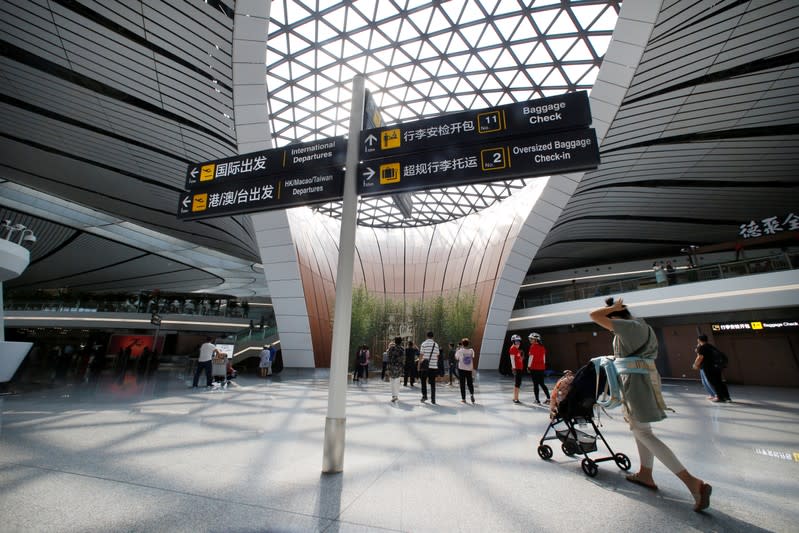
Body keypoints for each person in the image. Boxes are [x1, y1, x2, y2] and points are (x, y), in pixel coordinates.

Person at [590, 297, 711, 512]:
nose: (609, 328)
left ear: (616, 316)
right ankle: (645, 474)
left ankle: (693, 483)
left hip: (636, 383)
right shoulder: (642, 326)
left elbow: (594, 316)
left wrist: (612, 308)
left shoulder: (626, 326)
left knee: (644, 433)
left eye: (610, 322)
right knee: (641, 429)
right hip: (644, 378)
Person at [694, 335, 731, 403]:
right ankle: (727, 397)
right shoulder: (711, 346)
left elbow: (700, 357)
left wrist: (695, 365)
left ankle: (719, 397)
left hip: (708, 367)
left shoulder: (702, 347)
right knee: (720, 382)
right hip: (716, 367)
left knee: (714, 382)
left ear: (699, 340)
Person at [527, 332, 550, 404]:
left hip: (534, 368)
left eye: (532, 339)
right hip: (541, 368)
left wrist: (528, 366)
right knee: (542, 384)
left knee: (535, 384)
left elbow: (531, 358)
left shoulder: (532, 347)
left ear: (536, 340)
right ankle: (548, 398)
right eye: (530, 339)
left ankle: (537, 400)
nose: (530, 340)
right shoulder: (542, 347)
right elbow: (544, 358)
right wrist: (543, 366)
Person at [418, 331, 440, 404]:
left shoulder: (424, 344)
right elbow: (437, 356)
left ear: (426, 336)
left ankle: (424, 396)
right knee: (433, 383)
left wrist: (419, 365)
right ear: (433, 337)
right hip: (433, 367)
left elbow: (421, 355)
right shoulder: (436, 345)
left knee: (423, 381)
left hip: (425, 366)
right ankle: (433, 399)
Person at [455, 338, 475, 404]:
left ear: (462, 344)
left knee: (462, 384)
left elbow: (456, 358)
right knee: (470, 383)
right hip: (469, 369)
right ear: (468, 344)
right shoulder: (471, 350)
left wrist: (458, 350)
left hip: (462, 369)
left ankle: (463, 399)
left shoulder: (460, 351)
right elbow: (473, 357)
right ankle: (472, 394)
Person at [386, 337, 405, 402]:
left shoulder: (391, 348)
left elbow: (388, 358)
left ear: (395, 341)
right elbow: (403, 359)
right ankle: (396, 395)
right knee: (397, 381)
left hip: (391, 366)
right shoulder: (402, 349)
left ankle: (393, 395)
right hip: (399, 367)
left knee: (392, 381)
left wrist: (387, 368)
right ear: (401, 342)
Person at [509, 334, 524, 404]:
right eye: (516, 342)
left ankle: (515, 398)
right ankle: (515, 398)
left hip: (519, 369)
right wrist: (514, 368)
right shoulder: (512, 348)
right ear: (513, 342)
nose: (518, 343)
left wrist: (521, 357)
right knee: (517, 383)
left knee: (518, 383)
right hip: (517, 369)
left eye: (519, 341)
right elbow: (512, 359)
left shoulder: (516, 349)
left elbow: (518, 359)